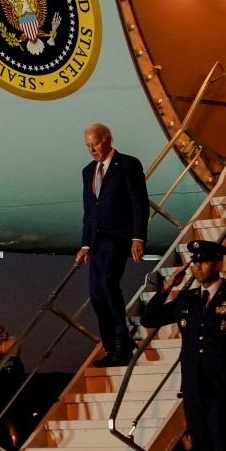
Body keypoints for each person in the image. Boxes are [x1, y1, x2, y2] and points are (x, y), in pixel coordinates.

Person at [140, 240, 226, 451]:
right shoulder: (186, 300)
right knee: (201, 449)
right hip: (193, 390)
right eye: (195, 262)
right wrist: (168, 286)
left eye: (204, 261)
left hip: (223, 390)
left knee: (224, 449)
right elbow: (149, 319)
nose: (197, 266)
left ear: (218, 264)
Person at [75, 123, 149, 367]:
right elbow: (88, 211)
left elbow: (139, 203)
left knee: (108, 280)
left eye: (95, 143)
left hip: (119, 237)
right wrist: (85, 245)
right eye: (88, 145)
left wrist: (138, 238)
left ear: (108, 140)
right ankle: (111, 347)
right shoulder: (88, 171)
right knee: (96, 294)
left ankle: (122, 339)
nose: (92, 149)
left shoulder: (128, 165)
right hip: (96, 241)